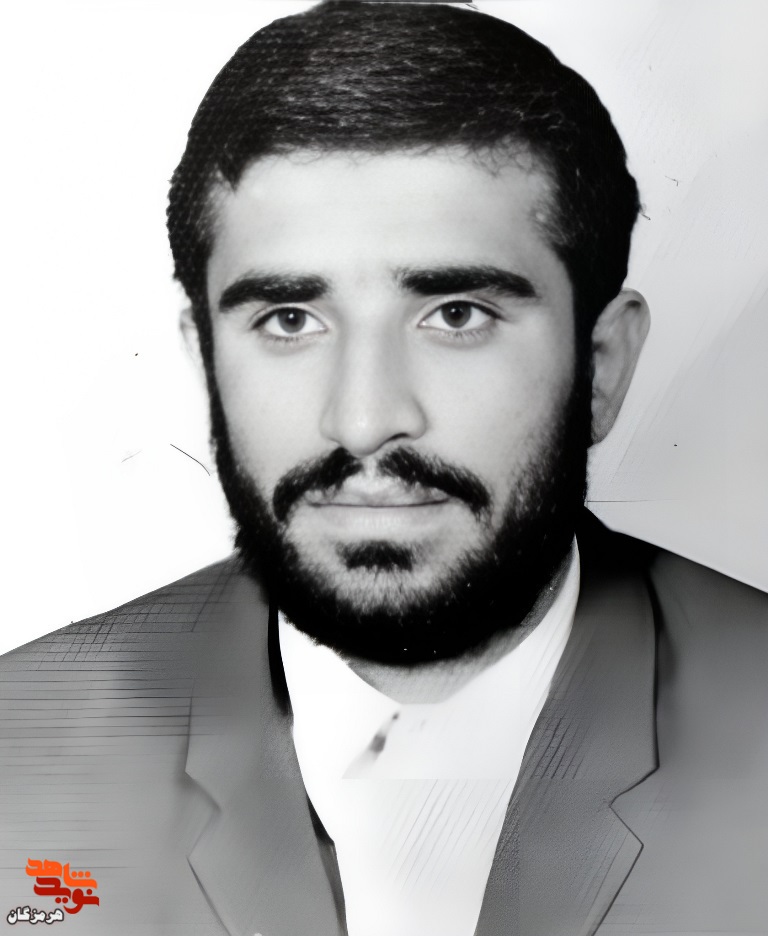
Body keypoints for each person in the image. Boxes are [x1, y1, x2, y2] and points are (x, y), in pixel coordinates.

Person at [1, 2, 766, 934]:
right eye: (289, 320)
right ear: (206, 361)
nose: (363, 420)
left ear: (600, 367)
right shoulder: (17, 753)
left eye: (456, 315)